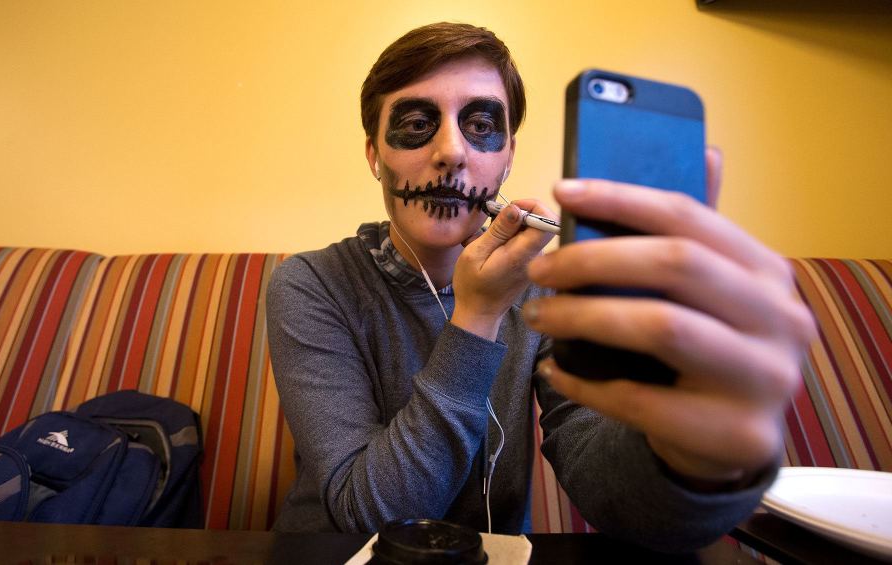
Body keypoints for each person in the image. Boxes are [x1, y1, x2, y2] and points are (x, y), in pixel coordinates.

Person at [265, 22, 815, 552]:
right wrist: (477, 317)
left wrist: (691, 459)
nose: (452, 152)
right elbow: (368, 513)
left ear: (506, 159)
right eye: (416, 122)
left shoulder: (545, 290)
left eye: (481, 125)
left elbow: (613, 489)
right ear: (374, 157)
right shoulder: (311, 284)